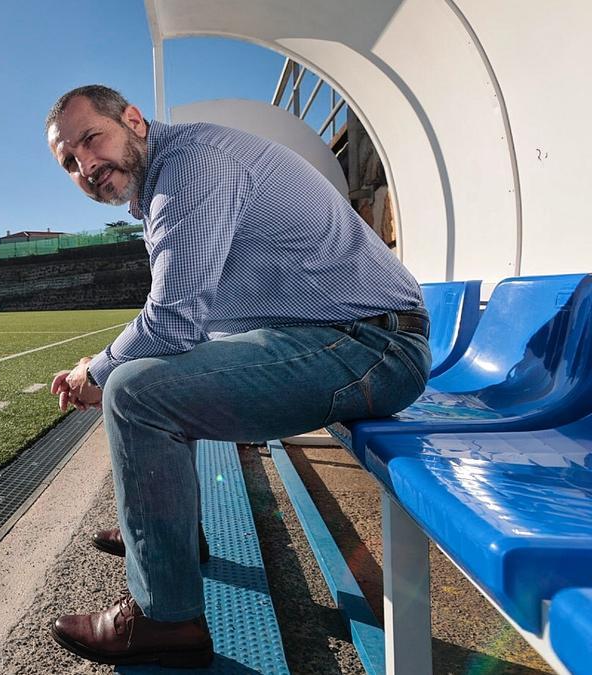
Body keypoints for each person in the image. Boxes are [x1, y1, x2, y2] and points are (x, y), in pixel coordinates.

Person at [44, 84, 430, 669]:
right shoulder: (164, 184)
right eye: (70, 161)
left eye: (91, 139)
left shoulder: (191, 168)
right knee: (157, 376)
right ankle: (167, 534)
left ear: (134, 121)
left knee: (134, 392)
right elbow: (187, 331)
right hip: (338, 337)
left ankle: (165, 618)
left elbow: (171, 321)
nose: (87, 165)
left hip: (372, 344)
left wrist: (94, 369)